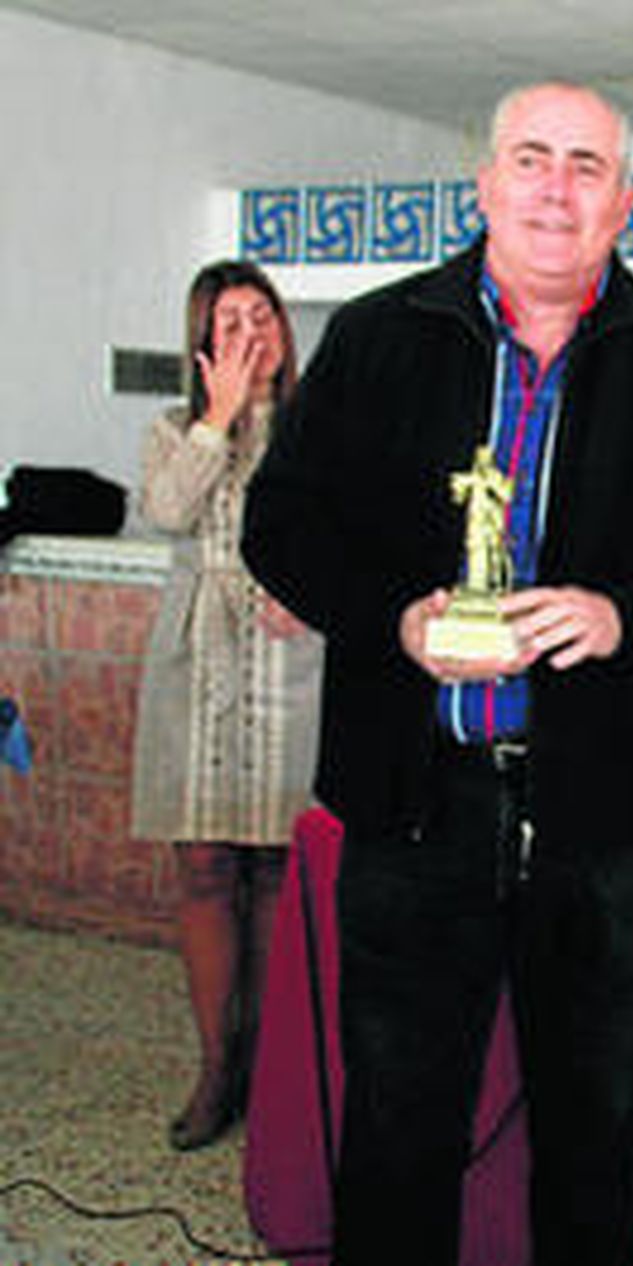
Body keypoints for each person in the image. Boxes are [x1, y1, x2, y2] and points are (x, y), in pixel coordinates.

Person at [241, 82, 633, 1266]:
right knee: (396, 1133)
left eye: (586, 165)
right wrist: (393, 618)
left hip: (608, 823)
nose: (555, 189)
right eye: (531, 158)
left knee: (596, 1140)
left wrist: (624, 619)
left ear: (624, 201)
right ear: (485, 184)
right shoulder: (377, 337)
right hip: (415, 807)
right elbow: (283, 524)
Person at [130, 260, 322, 1151]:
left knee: (280, 865)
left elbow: (362, 536)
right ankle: (217, 1065)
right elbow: (168, 513)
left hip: (292, 658)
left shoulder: (324, 425)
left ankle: (275, 1068)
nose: (252, 334)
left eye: (263, 317)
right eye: (231, 322)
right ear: (204, 343)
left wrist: (314, 592)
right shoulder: (175, 429)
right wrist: (218, 419)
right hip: (198, 659)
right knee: (204, 863)